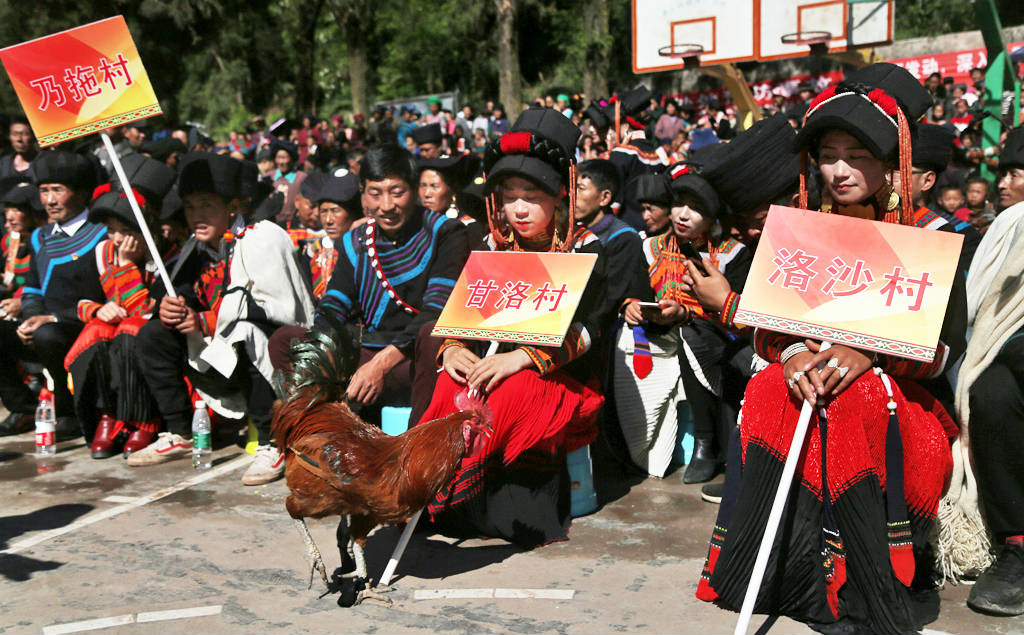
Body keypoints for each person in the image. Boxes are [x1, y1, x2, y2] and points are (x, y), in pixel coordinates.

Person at [697, 63, 966, 634]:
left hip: (899, 400)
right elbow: (768, 325)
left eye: (858, 155)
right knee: (770, 384)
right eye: (828, 155)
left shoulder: (935, 241)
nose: (839, 170)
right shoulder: (800, 233)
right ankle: (782, 576)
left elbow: (945, 352)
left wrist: (870, 352)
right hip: (807, 376)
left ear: (893, 164)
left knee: (854, 394)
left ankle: (871, 589)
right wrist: (790, 352)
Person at [421, 107, 607, 547]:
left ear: (560, 196)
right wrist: (451, 349)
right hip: (493, 363)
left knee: (509, 392)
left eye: (533, 195)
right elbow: (462, 311)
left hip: (560, 376)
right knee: (451, 387)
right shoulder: (485, 245)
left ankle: (493, 505)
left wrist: (520, 359)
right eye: (509, 195)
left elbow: (589, 331)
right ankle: (434, 492)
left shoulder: (587, 251)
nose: (518, 209)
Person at [129, 152, 315, 487]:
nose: (196, 215)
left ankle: (274, 444)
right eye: (189, 207)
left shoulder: (262, 237)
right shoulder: (194, 250)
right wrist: (169, 309)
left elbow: (275, 310)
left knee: (247, 331)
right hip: (220, 358)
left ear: (233, 206)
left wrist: (206, 321)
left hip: (274, 358)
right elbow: (177, 293)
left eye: (206, 205)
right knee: (153, 334)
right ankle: (180, 431)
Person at [272, 144, 470, 427]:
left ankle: (411, 453)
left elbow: (437, 311)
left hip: (412, 360)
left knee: (433, 334)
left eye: (397, 192)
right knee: (285, 341)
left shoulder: (444, 233)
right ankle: (322, 436)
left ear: (414, 190)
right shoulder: (356, 242)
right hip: (365, 351)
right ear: (363, 194)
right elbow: (333, 305)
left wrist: (378, 365)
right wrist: (326, 352)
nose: (386, 206)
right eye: (375, 194)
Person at [615, 163, 750, 481]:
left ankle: (705, 442)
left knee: (693, 335)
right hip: (657, 335)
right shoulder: (649, 247)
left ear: (714, 216)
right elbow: (632, 292)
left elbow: (738, 316)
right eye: (679, 204)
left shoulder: (733, 255)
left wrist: (686, 315)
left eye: (696, 208)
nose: (682, 215)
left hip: (711, 337)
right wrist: (631, 307)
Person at [950, 127, 1024, 616]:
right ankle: (1017, 545)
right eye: (1005, 172)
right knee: (991, 394)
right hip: (1006, 345)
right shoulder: (1005, 227)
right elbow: (985, 310)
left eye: (1016, 174)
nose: (1004, 183)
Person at [64, 155, 177, 459]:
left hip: (158, 339)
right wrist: (99, 311)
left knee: (130, 330)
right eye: (110, 229)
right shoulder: (103, 252)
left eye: (122, 229)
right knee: (98, 330)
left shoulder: (167, 256)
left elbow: (146, 310)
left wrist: (127, 268)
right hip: (111, 339)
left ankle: (143, 419)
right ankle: (108, 416)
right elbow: (83, 301)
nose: (114, 238)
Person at [0, 151, 106, 439]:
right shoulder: (40, 236)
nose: (49, 200)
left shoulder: (102, 233)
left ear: (82, 193)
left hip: (87, 325)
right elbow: (33, 287)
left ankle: (69, 411)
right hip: (46, 325)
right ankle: (22, 407)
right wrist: (32, 319)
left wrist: (52, 319)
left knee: (48, 335)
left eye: (57, 190)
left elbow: (109, 298)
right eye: (44, 191)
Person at [611, 85, 669, 231]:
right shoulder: (656, 155)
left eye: (613, 127)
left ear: (624, 125)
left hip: (625, 228)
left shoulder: (621, 154)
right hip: (652, 228)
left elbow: (614, 201)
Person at [1, 181, 45, 303]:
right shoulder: (9, 241)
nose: (9, 217)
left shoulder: (45, 243)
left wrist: (21, 302)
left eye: (17, 210)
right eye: (7, 210)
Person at [633, 173, 672, 238]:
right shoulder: (641, 241)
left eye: (650, 209)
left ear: (669, 211)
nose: (645, 217)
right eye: (643, 209)